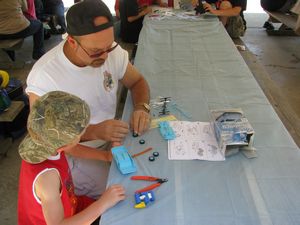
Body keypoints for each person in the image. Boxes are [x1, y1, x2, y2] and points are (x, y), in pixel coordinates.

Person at [26, 0, 150, 199]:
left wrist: (141, 108)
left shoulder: (110, 52)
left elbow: (137, 82)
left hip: (111, 140)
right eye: (95, 51)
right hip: (74, 154)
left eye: (108, 47)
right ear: (72, 41)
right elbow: (44, 139)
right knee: (129, 193)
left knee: (149, 171)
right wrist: (93, 132)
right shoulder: (45, 77)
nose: (104, 56)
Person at [18, 91, 126, 225]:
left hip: (70, 205)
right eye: (82, 132)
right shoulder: (47, 178)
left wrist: (106, 156)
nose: (85, 131)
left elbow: (72, 149)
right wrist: (103, 203)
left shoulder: (42, 140)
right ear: (63, 145)